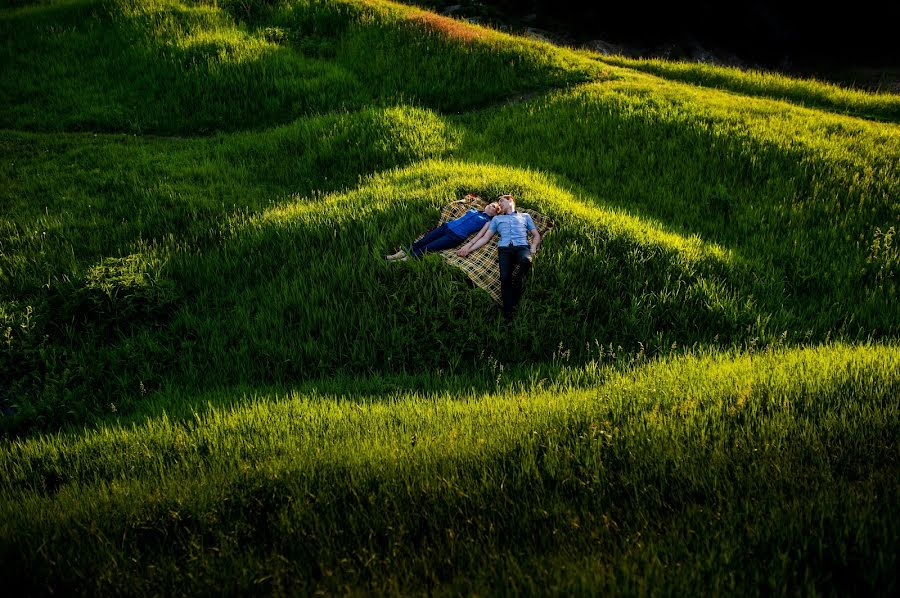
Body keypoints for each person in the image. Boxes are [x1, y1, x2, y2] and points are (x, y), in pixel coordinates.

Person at [457, 194, 541, 320]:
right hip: (504, 249)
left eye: (501, 201)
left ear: (510, 200)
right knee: (504, 277)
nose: (499, 204)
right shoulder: (497, 219)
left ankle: (516, 284)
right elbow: (486, 237)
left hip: (522, 247)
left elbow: (536, 235)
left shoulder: (525, 216)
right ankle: (508, 312)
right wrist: (469, 249)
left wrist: (533, 247)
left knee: (526, 260)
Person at [385, 197, 501, 261]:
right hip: (446, 226)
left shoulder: (488, 221)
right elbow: (468, 203)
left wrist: (468, 246)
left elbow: (480, 235)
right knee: (422, 241)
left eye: (495, 207)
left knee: (428, 247)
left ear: (495, 213)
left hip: (455, 236)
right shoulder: (475, 210)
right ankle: (397, 255)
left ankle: (402, 261)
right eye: (491, 204)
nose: (492, 206)